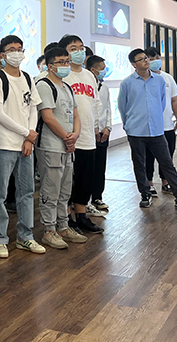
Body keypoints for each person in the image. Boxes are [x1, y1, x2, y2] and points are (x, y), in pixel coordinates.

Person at [118, 48, 177, 210]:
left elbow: (162, 103)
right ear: (134, 64)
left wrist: (156, 119)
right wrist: (129, 124)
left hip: (156, 130)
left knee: (167, 163)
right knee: (139, 164)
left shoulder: (160, 80)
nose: (146, 61)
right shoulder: (127, 83)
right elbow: (123, 106)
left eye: (146, 58)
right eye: (141, 59)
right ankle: (145, 193)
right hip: (136, 131)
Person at [0, 35, 44, 258]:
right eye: (11, 49)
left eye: (19, 48)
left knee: (27, 192)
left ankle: (25, 236)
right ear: (3, 54)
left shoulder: (28, 78)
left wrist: (29, 138)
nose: (16, 53)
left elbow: (33, 109)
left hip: (26, 145)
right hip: (4, 144)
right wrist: (26, 133)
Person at [35, 47, 87, 248]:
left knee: (65, 189)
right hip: (51, 145)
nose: (66, 65)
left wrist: (75, 134)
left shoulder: (66, 87)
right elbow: (47, 117)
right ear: (50, 66)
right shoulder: (44, 85)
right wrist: (66, 137)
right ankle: (49, 230)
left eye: (67, 61)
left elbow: (76, 115)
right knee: (51, 189)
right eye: (61, 62)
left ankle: (63, 226)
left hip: (68, 146)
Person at [58, 35, 105, 233]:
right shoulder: (63, 75)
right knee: (68, 181)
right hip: (68, 137)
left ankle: (82, 215)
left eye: (81, 47)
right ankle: (67, 218)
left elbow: (95, 104)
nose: (79, 51)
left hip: (87, 136)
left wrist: (96, 126)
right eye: (73, 48)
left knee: (86, 178)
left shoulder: (88, 76)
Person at [144, 47, 177, 197]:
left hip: (167, 125)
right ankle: (149, 184)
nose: (154, 61)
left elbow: (174, 100)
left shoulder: (168, 78)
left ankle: (165, 182)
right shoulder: (143, 79)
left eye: (156, 58)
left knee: (168, 156)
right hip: (149, 127)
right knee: (148, 157)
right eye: (150, 59)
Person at [86, 55, 112, 212]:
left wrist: (108, 127)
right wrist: (95, 128)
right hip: (89, 133)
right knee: (88, 168)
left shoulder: (105, 87)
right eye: (102, 69)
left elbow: (107, 108)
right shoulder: (87, 87)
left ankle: (97, 196)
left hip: (103, 133)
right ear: (93, 70)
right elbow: (90, 110)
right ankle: (85, 199)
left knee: (100, 168)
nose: (104, 71)